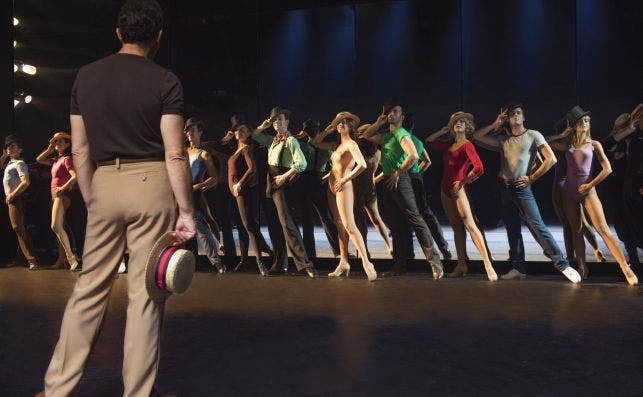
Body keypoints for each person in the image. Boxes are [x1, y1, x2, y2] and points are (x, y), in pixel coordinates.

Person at [39, 2, 196, 396]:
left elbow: (79, 149)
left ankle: (56, 389)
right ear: (157, 36)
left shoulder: (86, 76)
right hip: (153, 184)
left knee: (89, 288)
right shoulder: (166, 80)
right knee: (145, 295)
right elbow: (176, 153)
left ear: (118, 33)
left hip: (105, 182)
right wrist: (187, 212)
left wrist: (93, 193)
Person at [473, 103, 581, 283]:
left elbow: (551, 159)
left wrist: (531, 178)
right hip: (504, 187)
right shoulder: (504, 140)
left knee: (538, 226)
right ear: (507, 119)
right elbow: (477, 136)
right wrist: (495, 124)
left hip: (522, 188)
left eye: (518, 113)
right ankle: (518, 267)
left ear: (524, 117)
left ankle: (562, 264)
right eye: (511, 114)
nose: (515, 116)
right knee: (512, 229)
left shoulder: (532, 135)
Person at [548, 106, 638, 285]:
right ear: (574, 125)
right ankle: (582, 266)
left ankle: (624, 267)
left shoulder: (594, 144)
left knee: (603, 228)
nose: (585, 123)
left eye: (587, 121)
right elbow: (544, 141)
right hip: (569, 191)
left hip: (589, 190)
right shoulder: (568, 146)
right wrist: (562, 134)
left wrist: (590, 184)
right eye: (581, 121)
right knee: (577, 229)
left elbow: (608, 169)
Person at [361, 101, 443, 279]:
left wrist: (398, 172)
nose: (391, 114)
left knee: (415, 218)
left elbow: (413, 155)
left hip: (400, 179)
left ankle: (435, 262)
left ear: (402, 117)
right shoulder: (386, 136)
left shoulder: (401, 133)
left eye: (395, 112)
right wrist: (379, 121)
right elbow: (366, 135)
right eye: (389, 112)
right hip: (390, 180)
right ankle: (399, 266)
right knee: (397, 225)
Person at [425, 112, 497, 281]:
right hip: (445, 190)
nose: (458, 123)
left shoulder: (467, 145)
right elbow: (429, 141)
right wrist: (443, 131)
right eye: (455, 122)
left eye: (462, 122)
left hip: (458, 189)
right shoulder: (448, 145)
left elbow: (479, 168)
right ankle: (461, 265)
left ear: (468, 127)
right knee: (457, 228)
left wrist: (463, 181)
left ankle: (488, 264)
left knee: (470, 226)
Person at [252, 107, 318, 277]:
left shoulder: (291, 141)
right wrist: (263, 125)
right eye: (275, 120)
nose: (277, 123)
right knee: (274, 226)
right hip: (270, 182)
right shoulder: (272, 140)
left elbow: (301, 164)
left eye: (280, 119)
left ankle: (305, 264)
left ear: (287, 121)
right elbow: (255, 135)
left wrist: (284, 177)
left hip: (281, 183)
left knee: (287, 224)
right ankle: (281, 263)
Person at [312, 112, 377, 280]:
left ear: (351, 126)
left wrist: (345, 178)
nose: (341, 124)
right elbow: (315, 142)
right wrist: (326, 132)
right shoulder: (336, 145)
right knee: (339, 225)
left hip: (343, 186)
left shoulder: (351, 144)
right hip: (331, 187)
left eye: (344, 122)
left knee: (349, 225)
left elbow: (362, 164)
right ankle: (343, 262)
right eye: (339, 122)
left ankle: (367, 263)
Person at [546, 117, 604, 275]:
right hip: (559, 185)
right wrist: (561, 135)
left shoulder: (573, 146)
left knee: (579, 224)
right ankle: (577, 255)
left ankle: (588, 252)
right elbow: (544, 141)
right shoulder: (564, 145)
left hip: (568, 185)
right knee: (573, 224)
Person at [404, 114, 452, 260]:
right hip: (416, 178)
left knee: (409, 215)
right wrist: (418, 173)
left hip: (406, 179)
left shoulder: (403, 140)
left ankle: (408, 254)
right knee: (426, 214)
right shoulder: (417, 141)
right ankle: (444, 249)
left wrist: (411, 173)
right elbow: (428, 161)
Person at [291, 119, 341, 259]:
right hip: (311, 182)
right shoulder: (307, 145)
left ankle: (332, 251)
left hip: (311, 182)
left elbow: (335, 165)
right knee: (319, 219)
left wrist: (299, 135)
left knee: (320, 219)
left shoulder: (311, 145)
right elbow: (335, 167)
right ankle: (330, 251)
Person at [601, 104, 643, 267]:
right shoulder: (620, 140)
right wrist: (627, 130)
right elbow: (603, 145)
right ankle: (634, 262)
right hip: (616, 190)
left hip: (633, 188)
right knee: (623, 229)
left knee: (637, 225)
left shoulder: (638, 140)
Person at [227, 121, 270, 276]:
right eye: (237, 130)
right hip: (236, 193)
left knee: (249, 226)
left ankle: (260, 262)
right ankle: (244, 261)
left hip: (244, 192)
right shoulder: (236, 149)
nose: (239, 132)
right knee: (241, 227)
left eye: (243, 130)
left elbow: (252, 169)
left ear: (248, 133)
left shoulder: (245, 149)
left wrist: (239, 184)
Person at [185, 117, 227, 274]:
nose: (189, 133)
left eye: (193, 130)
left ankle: (217, 262)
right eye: (187, 130)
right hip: (178, 196)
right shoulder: (183, 152)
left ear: (199, 132)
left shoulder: (203, 155)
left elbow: (214, 177)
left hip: (194, 196)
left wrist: (199, 186)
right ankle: (187, 263)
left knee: (201, 227)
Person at [36, 132, 80, 271]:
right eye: (56, 142)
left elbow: (75, 176)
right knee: (58, 226)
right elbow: (39, 159)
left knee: (55, 225)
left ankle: (71, 258)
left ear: (67, 144)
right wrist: (49, 149)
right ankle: (68, 258)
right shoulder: (55, 160)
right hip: (55, 195)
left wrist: (63, 187)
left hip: (62, 194)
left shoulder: (67, 159)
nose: (57, 144)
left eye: (61, 141)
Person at [1, 135, 41, 270]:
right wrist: (4, 155)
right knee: (19, 228)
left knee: (18, 227)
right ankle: (22, 258)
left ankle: (32, 260)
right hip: (12, 199)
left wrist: (12, 194)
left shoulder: (19, 164)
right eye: (8, 147)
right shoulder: (9, 163)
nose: (10, 149)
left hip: (16, 199)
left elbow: (25, 182)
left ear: (20, 150)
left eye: (13, 147)